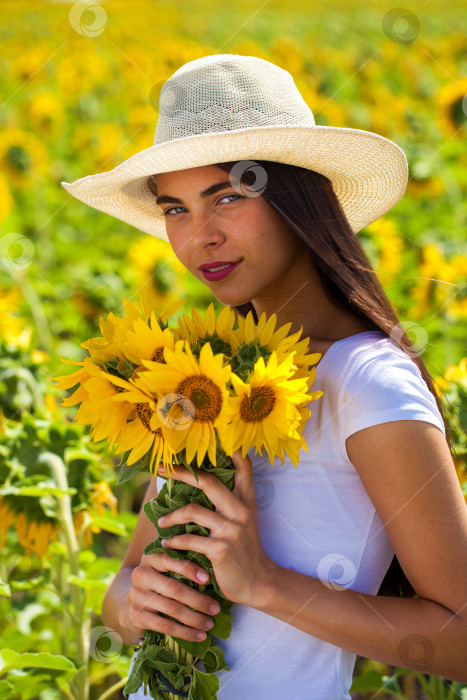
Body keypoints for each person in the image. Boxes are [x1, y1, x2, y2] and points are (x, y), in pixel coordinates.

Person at [61, 54, 467, 698]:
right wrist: (132, 604)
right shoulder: (201, 374)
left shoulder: (367, 381)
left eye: (228, 196)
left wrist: (266, 585)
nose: (200, 239)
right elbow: (131, 576)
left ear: (297, 195)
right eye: (176, 209)